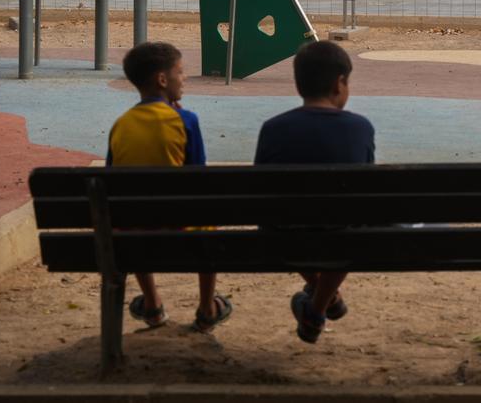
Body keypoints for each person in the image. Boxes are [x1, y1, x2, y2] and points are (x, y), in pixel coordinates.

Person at [254, 40, 375, 343]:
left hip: (284, 234)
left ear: (299, 85)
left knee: (282, 223)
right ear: (339, 84)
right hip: (343, 234)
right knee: (351, 224)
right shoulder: (360, 128)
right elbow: (366, 194)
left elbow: (260, 195)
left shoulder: (273, 128)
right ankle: (320, 305)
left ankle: (320, 302)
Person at [107, 41, 232, 333]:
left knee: (132, 213)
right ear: (162, 80)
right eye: (180, 72)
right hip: (181, 234)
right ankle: (206, 308)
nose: (184, 78)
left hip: (131, 236)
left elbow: (112, 180)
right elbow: (197, 177)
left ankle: (152, 303)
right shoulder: (185, 121)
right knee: (207, 218)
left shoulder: (121, 125)